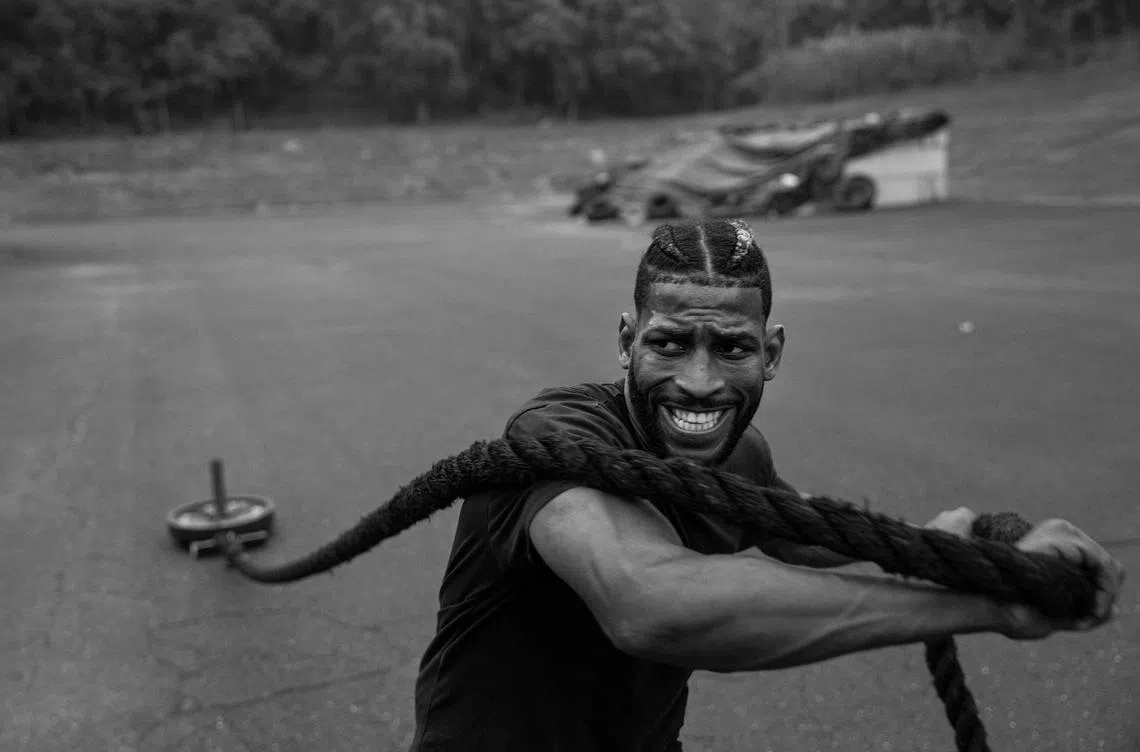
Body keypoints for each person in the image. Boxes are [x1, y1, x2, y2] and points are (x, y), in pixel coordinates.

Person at [408, 218, 1125, 751]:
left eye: (731, 348)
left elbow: (795, 531)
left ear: (771, 352)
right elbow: (650, 602)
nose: (699, 380)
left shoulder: (739, 453)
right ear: (626, 341)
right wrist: (971, 603)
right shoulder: (556, 437)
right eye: (668, 343)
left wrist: (935, 547)